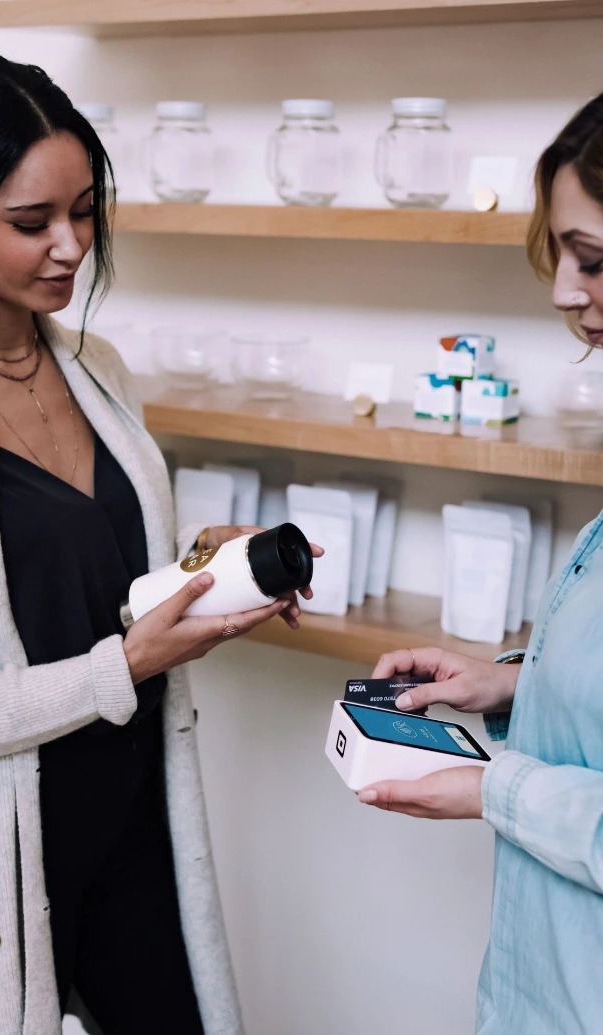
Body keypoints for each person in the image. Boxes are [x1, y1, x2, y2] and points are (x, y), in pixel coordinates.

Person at [0, 51, 321, 1035]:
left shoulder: (98, 366)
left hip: (135, 818)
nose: (71, 247)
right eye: (32, 222)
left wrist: (202, 568)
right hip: (0, 849)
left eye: (85, 211)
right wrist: (124, 666)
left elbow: (91, 577)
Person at [358, 95, 603, 1035]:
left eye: (593, 259)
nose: (564, 292)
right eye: (562, 255)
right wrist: (511, 684)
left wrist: (491, 787)